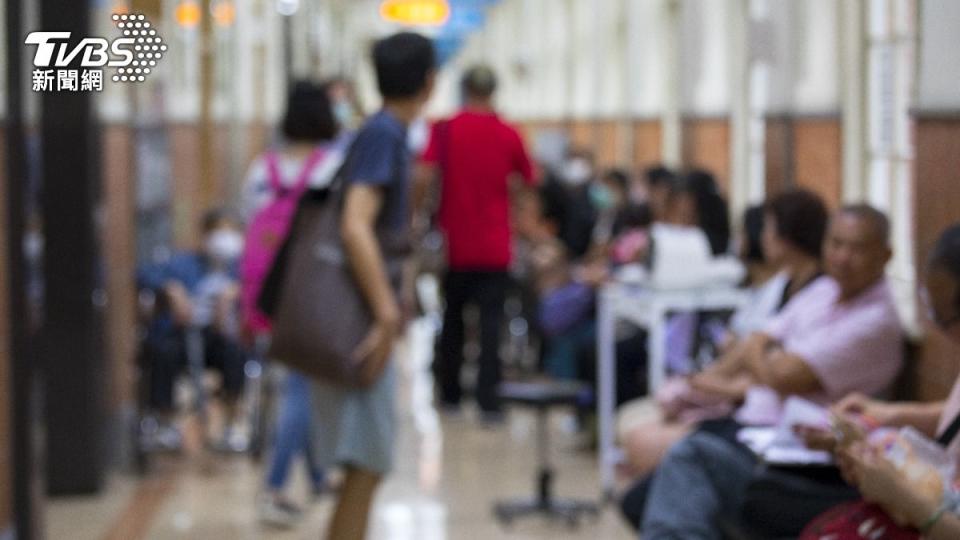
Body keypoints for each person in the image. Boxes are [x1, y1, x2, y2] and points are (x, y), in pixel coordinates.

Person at [637, 205, 905, 539]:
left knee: (685, 460)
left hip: (805, 460)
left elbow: (784, 375)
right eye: (835, 244)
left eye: (857, 248)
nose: (842, 257)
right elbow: (758, 342)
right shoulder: (823, 292)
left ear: (886, 254)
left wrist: (762, 359)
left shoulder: (875, 321)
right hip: (756, 432)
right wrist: (763, 358)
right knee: (645, 495)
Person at [309, 32, 435, 540]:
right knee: (367, 458)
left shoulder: (383, 132)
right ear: (429, 81)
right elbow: (356, 223)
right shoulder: (384, 134)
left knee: (368, 462)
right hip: (359, 316)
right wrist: (385, 312)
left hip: (361, 310)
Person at [619, 190, 828, 479]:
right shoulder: (782, 286)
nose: (761, 236)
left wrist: (738, 363)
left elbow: (776, 369)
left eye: (768, 228)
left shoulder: (818, 296)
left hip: (764, 414)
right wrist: (718, 374)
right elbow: (754, 352)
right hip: (747, 398)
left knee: (645, 446)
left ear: (788, 234)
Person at [241, 80, 343, 528]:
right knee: (300, 390)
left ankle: (318, 475)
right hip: (313, 291)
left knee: (296, 382)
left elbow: (251, 228)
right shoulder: (331, 169)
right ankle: (276, 487)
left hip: (269, 293)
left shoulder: (261, 172)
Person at [417, 64, 536, 421]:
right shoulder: (509, 133)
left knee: (452, 320)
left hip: (455, 244)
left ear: (464, 88)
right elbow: (526, 182)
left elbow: (424, 176)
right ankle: (489, 402)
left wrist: (419, 216)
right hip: (496, 245)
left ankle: (450, 395)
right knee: (490, 326)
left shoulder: (445, 130)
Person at [137, 208, 248, 449]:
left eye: (230, 231)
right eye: (219, 231)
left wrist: (235, 295)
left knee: (236, 354)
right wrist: (172, 289)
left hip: (218, 336)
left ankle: (231, 424)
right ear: (206, 235)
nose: (225, 238)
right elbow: (145, 273)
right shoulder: (183, 264)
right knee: (163, 352)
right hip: (183, 333)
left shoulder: (239, 269)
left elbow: (259, 290)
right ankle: (166, 422)